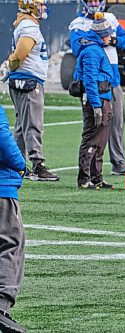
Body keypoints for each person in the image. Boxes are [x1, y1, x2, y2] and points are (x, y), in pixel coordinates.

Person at [69, 0, 125, 176]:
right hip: (94, 80)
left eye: (96, 0)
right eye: (90, 0)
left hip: (113, 79)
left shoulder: (110, 18)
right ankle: (89, 167)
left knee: (117, 122)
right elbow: (77, 46)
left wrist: (113, 40)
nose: (94, 3)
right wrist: (100, 38)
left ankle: (118, 162)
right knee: (93, 125)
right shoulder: (78, 23)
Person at [1, 0, 59, 181]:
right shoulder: (29, 26)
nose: (43, 7)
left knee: (21, 125)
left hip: (21, 80)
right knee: (33, 124)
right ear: (30, 6)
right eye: (40, 4)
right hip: (28, 81)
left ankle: (17, 164)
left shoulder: (26, 24)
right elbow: (20, 54)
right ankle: (37, 165)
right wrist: (8, 66)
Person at [74, 13, 114, 190]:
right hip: (96, 100)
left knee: (100, 139)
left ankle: (96, 177)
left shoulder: (94, 48)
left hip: (102, 98)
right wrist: (96, 105)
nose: (110, 37)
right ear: (100, 34)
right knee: (91, 138)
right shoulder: (92, 50)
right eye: (107, 34)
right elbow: (89, 80)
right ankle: (84, 178)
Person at [0, 104, 27, 333]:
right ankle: (1, 305)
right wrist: (21, 166)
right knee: (11, 243)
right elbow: (4, 141)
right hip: (2, 189)